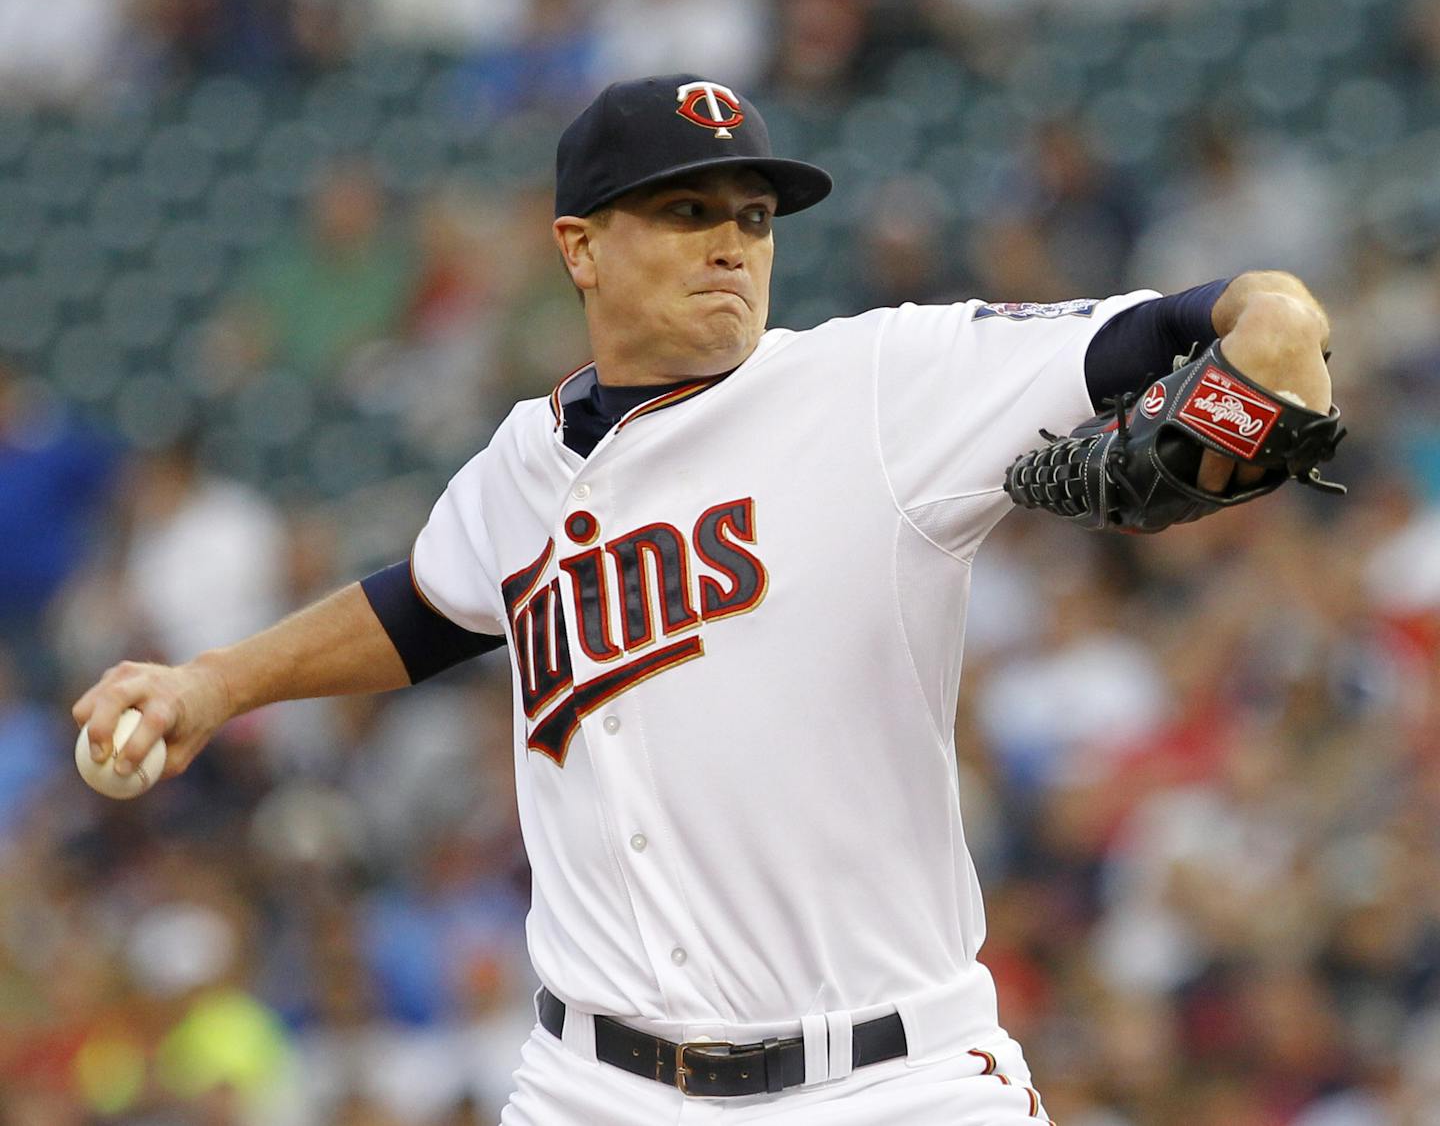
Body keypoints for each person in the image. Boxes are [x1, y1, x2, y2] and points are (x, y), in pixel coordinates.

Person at [76, 73, 1336, 1124]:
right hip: (593, 1083)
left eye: (753, 214)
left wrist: (1271, 325)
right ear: (579, 246)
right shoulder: (522, 458)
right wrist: (212, 683)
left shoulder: (880, 386)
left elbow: (1198, 320)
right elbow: (428, 605)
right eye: (686, 210)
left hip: (886, 1081)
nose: (733, 240)